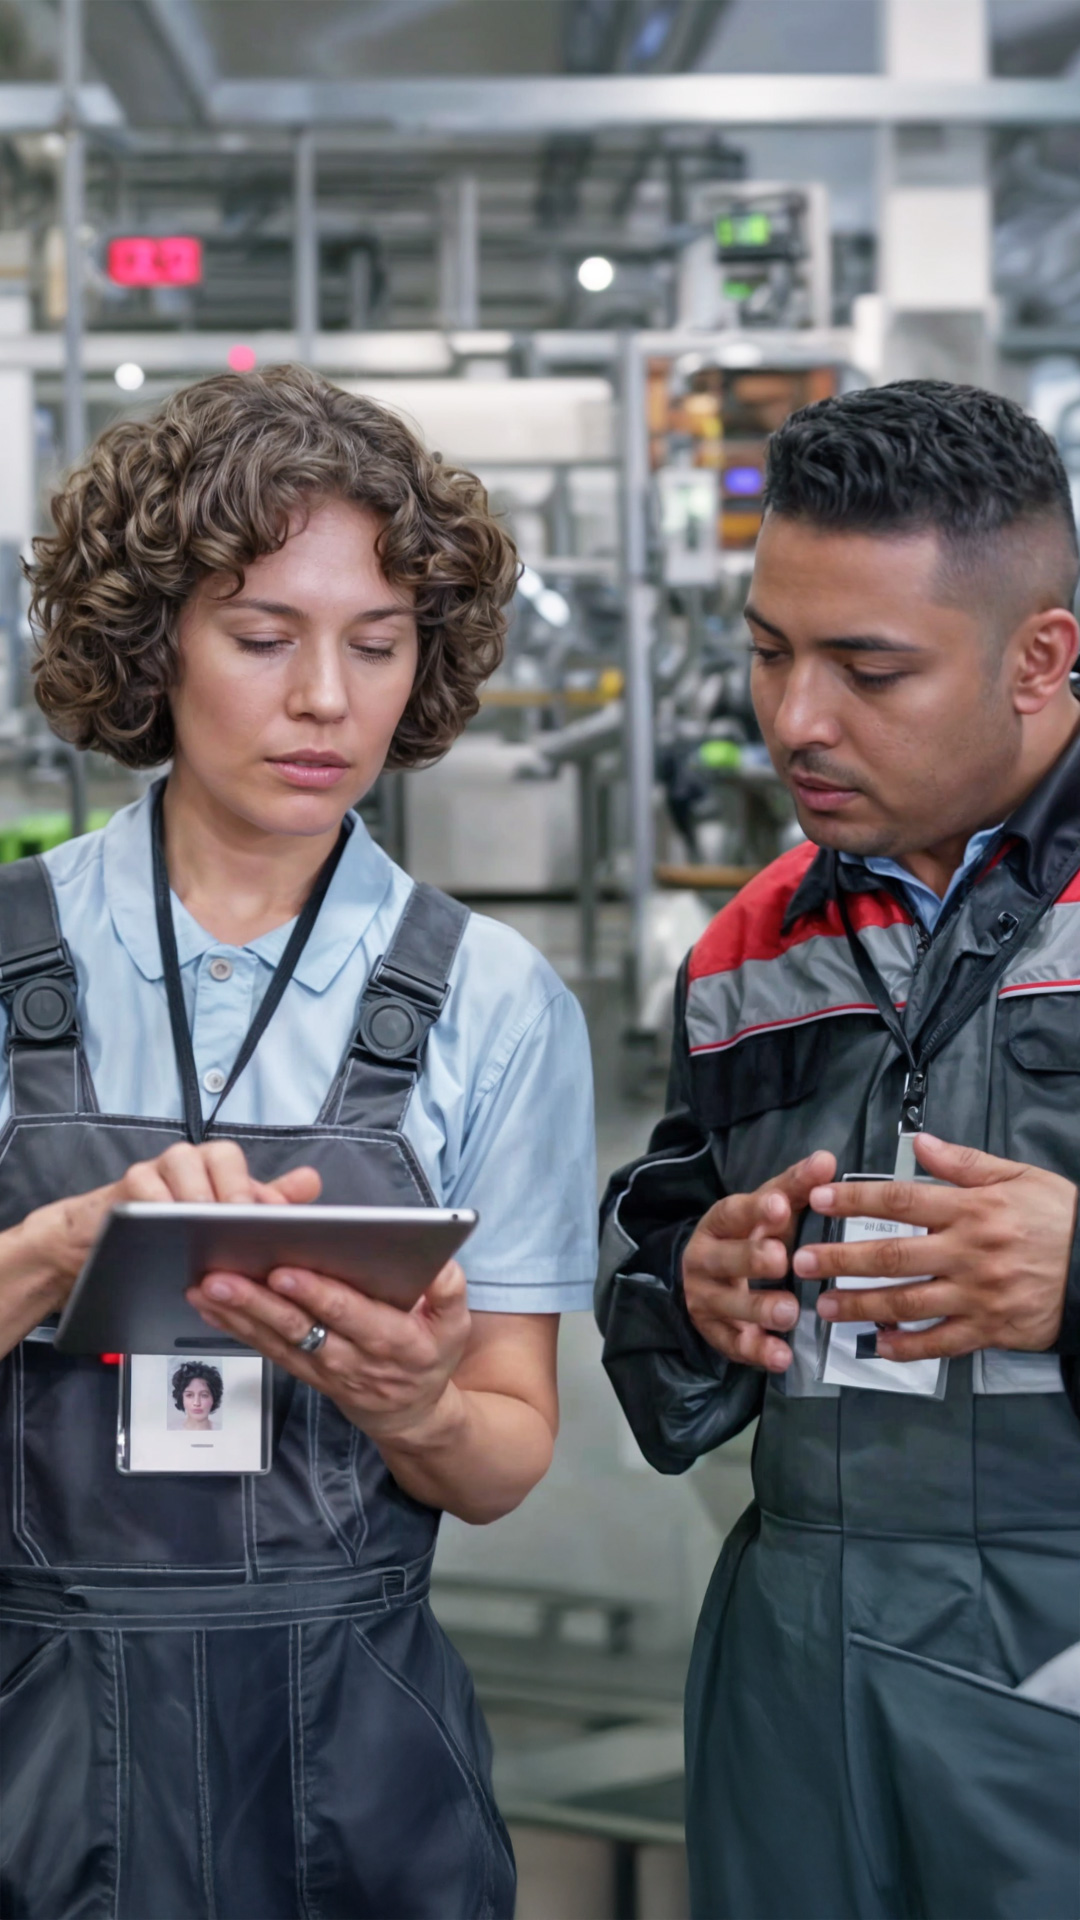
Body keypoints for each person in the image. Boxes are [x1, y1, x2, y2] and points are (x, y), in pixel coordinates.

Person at [0, 365, 597, 1920]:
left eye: (379, 645)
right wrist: (59, 1250)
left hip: (358, 1763)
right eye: (263, 639)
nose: (327, 698)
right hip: (31, 1744)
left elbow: (506, 1455)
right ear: (153, 642)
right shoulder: (9, 964)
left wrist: (420, 1405)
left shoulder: (494, 1003)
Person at [597, 381, 1080, 1920]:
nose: (794, 718)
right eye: (767, 650)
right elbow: (648, 1277)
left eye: (868, 668)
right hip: (801, 1649)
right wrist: (695, 1281)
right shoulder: (751, 948)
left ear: (1040, 660)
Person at [172, 1360, 223, 1429]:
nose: (196, 1403)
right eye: (189, 1395)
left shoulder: (222, 1430)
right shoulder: (171, 1429)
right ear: (181, 1398)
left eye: (204, 1395)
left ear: (214, 1398)